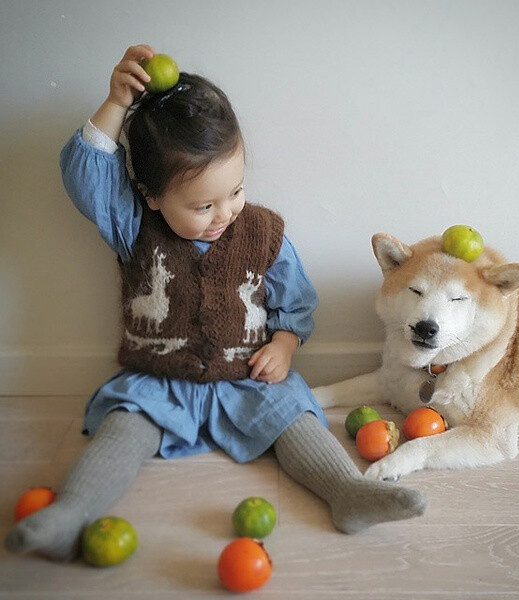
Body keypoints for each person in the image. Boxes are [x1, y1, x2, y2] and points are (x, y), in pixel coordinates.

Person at [4, 45, 425, 561]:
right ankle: (72, 510)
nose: (223, 213)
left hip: (245, 377)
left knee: (295, 412)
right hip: (159, 380)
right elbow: (86, 177)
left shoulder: (264, 234)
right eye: (203, 205)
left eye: (236, 191)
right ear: (152, 195)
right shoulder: (134, 225)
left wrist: (286, 344)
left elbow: (296, 300)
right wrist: (115, 103)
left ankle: (347, 492)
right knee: (124, 424)